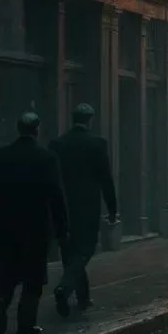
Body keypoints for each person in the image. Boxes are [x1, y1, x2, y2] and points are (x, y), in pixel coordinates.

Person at [0, 111, 69, 334]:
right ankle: (25, 324)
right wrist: (61, 229)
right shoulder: (46, 158)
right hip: (35, 228)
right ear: (36, 130)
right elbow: (56, 196)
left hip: (4, 227)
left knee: (6, 268)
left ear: (18, 129)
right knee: (33, 276)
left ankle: (1, 301)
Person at [49, 103, 118, 316]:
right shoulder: (97, 144)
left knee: (69, 251)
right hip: (88, 208)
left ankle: (83, 298)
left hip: (63, 207)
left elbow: (52, 179)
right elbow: (106, 179)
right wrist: (112, 208)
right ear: (90, 120)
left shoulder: (57, 144)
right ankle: (65, 287)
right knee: (85, 251)